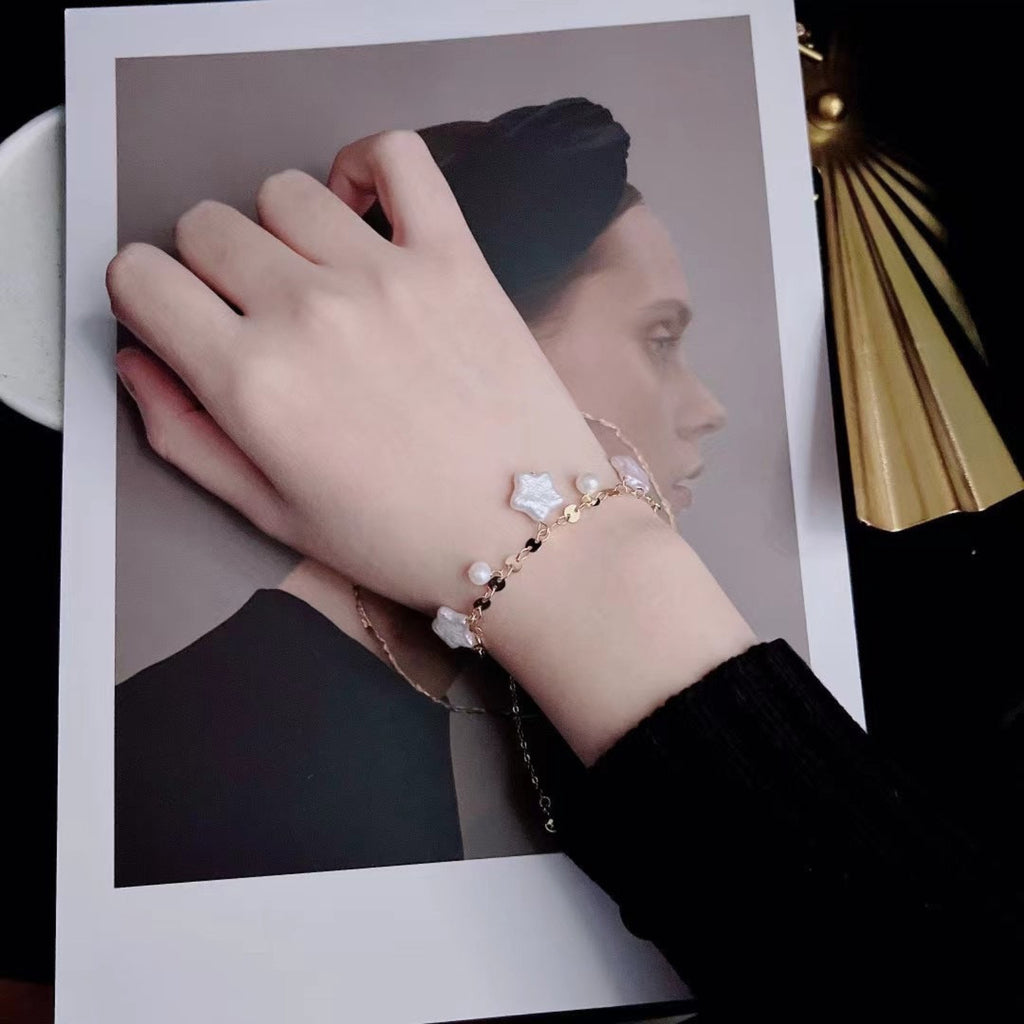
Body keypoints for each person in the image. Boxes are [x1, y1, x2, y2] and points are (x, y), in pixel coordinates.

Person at [107, 119, 1023, 1019]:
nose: (707, 407)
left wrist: (580, 570)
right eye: (659, 338)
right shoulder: (186, 751)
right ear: (489, 349)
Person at [114, 99, 728, 884]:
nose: (709, 409)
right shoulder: (215, 758)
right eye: (660, 339)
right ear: (462, 344)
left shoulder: (393, 722)